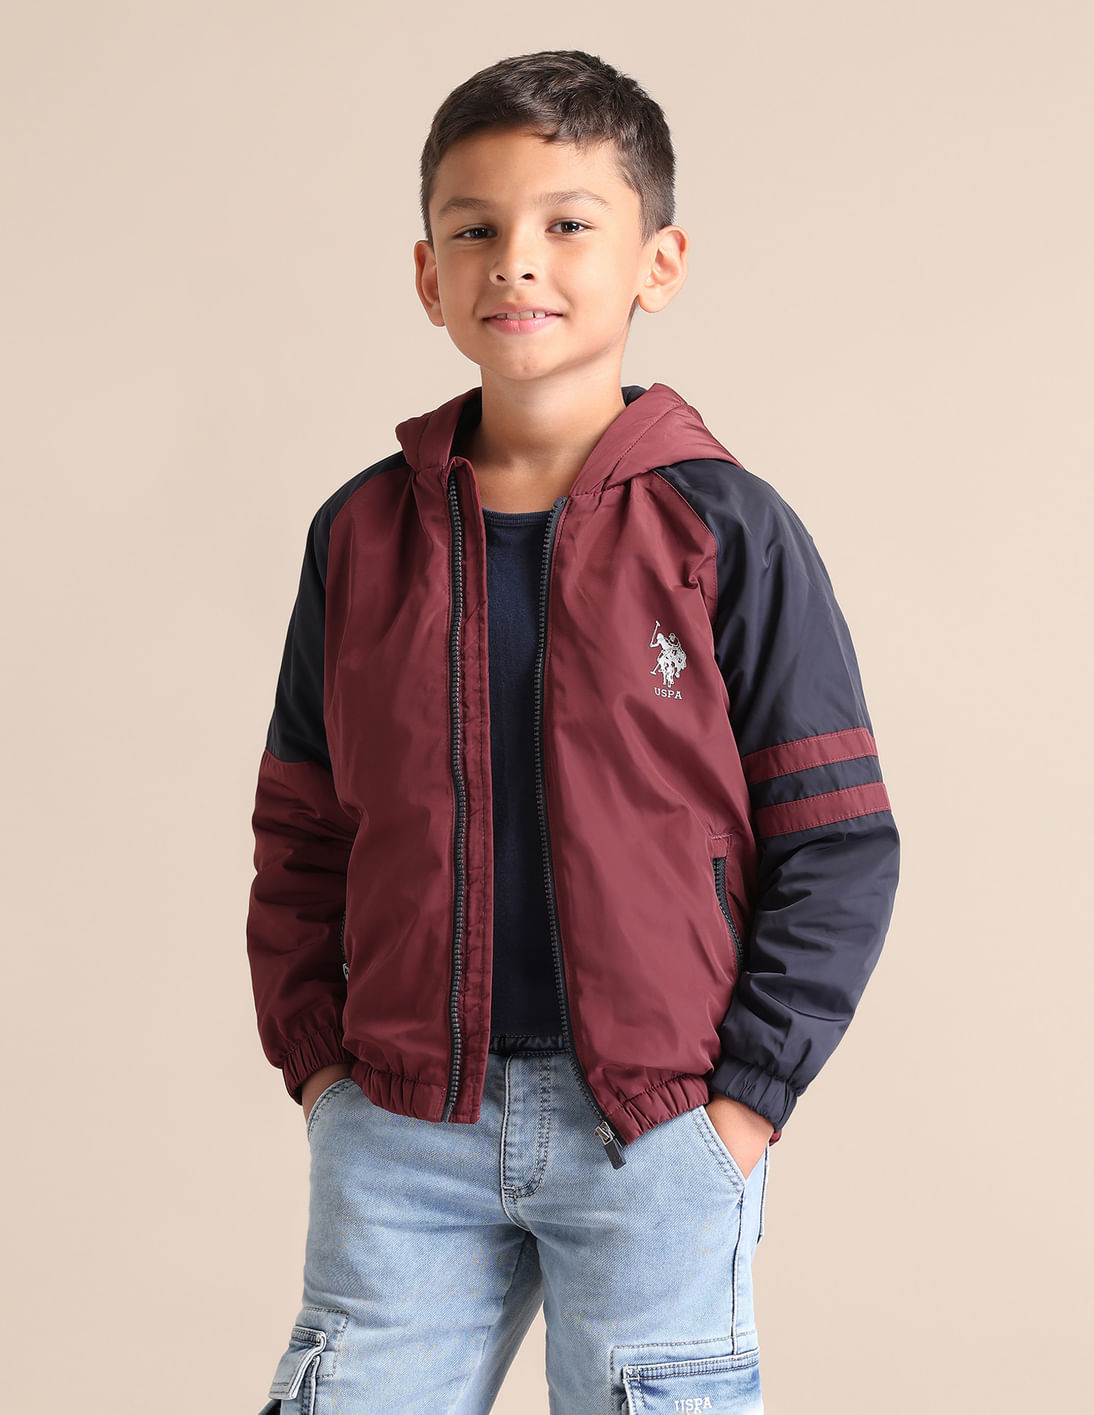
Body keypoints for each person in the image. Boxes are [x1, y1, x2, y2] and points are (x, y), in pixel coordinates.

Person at [246, 48, 900, 1415]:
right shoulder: (361, 534)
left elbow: (835, 838)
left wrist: (744, 1104)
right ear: (427, 275)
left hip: (654, 1129)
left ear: (658, 263)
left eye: (566, 224)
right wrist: (320, 1068)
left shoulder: (726, 528)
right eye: (474, 229)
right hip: (402, 1128)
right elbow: (302, 826)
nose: (516, 263)